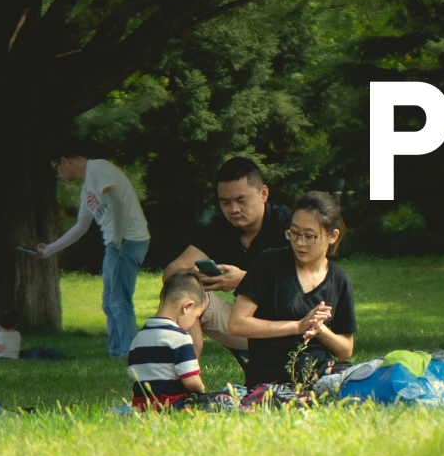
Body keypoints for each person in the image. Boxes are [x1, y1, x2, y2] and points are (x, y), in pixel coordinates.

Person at [160, 157, 292, 360]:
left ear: (263, 193)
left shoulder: (287, 223)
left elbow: (305, 280)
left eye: (241, 200)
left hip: (292, 328)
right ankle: (187, 374)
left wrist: (245, 279)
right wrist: (196, 277)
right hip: (245, 325)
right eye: (225, 202)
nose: (233, 209)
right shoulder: (221, 227)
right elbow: (172, 271)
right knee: (181, 292)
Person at [227, 190, 356, 390]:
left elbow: (346, 350)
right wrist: (298, 326)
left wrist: (320, 330)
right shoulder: (269, 263)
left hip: (321, 370)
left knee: (367, 378)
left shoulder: (339, 280)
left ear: (332, 236)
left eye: (309, 236)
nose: (299, 242)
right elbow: (236, 324)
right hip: (272, 375)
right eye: (294, 233)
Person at [38, 147, 152, 359]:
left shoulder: (98, 168)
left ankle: (129, 354)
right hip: (115, 244)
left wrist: (117, 240)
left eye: (56, 170)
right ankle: (117, 352)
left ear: (65, 161)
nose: (59, 176)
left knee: (119, 301)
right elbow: (80, 227)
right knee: (110, 302)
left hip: (127, 241)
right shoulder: (86, 189)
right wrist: (50, 249)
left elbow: (117, 203)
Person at [127, 275, 228, 411]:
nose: (194, 322)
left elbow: (134, 375)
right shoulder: (180, 338)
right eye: (196, 316)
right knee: (222, 402)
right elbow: (190, 380)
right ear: (186, 307)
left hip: (140, 406)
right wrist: (201, 389)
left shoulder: (138, 338)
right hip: (173, 405)